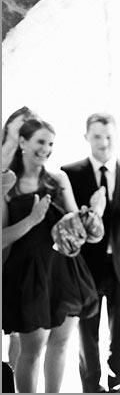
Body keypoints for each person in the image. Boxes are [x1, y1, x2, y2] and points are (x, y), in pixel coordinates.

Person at [2, 118, 102, 393]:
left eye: (50, 144)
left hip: (63, 272)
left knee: (60, 345)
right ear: (22, 142)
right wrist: (32, 220)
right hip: (27, 275)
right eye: (40, 142)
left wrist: (91, 214)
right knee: (31, 351)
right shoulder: (7, 184)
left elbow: (77, 223)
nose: (46, 149)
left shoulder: (58, 180)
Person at [61, 112, 120, 393]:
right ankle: (91, 386)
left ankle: (117, 383)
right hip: (86, 267)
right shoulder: (70, 173)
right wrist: (91, 212)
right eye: (97, 136)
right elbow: (69, 222)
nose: (104, 142)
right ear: (86, 137)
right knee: (87, 333)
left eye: (109, 136)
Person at [2, 106, 37, 378]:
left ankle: (12, 380)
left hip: (16, 259)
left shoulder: (25, 169)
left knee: (15, 332)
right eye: (22, 122)